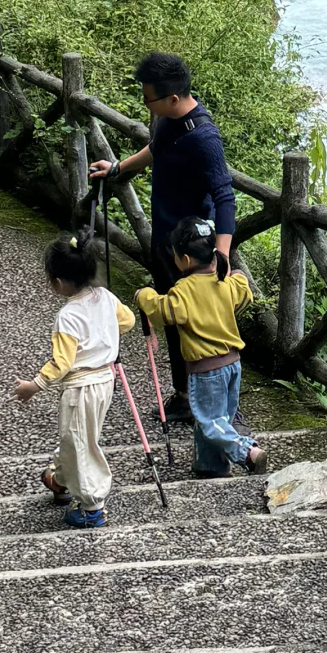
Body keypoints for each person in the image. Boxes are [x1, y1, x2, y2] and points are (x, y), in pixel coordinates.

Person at [89, 52, 236, 425]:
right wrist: (118, 167)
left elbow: (225, 196)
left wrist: (221, 255)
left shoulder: (204, 137)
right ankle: (185, 396)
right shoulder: (169, 121)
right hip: (166, 241)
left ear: (172, 98)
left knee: (196, 325)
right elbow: (156, 150)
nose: (145, 105)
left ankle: (218, 406)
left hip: (192, 250)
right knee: (174, 323)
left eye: (147, 99)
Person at [14, 231, 136, 529]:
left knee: (80, 442)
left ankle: (91, 506)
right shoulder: (106, 297)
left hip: (80, 387)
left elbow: (62, 362)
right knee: (78, 436)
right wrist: (104, 335)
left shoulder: (67, 316)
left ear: (57, 281)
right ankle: (61, 478)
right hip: (104, 381)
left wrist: (34, 385)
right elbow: (128, 320)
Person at [135, 216, 267, 478]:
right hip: (232, 365)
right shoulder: (224, 283)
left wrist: (144, 295)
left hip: (207, 371)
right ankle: (210, 466)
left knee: (210, 422)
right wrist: (239, 275)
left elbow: (164, 311)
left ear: (183, 259)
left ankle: (247, 451)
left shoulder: (184, 290)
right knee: (218, 419)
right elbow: (243, 291)